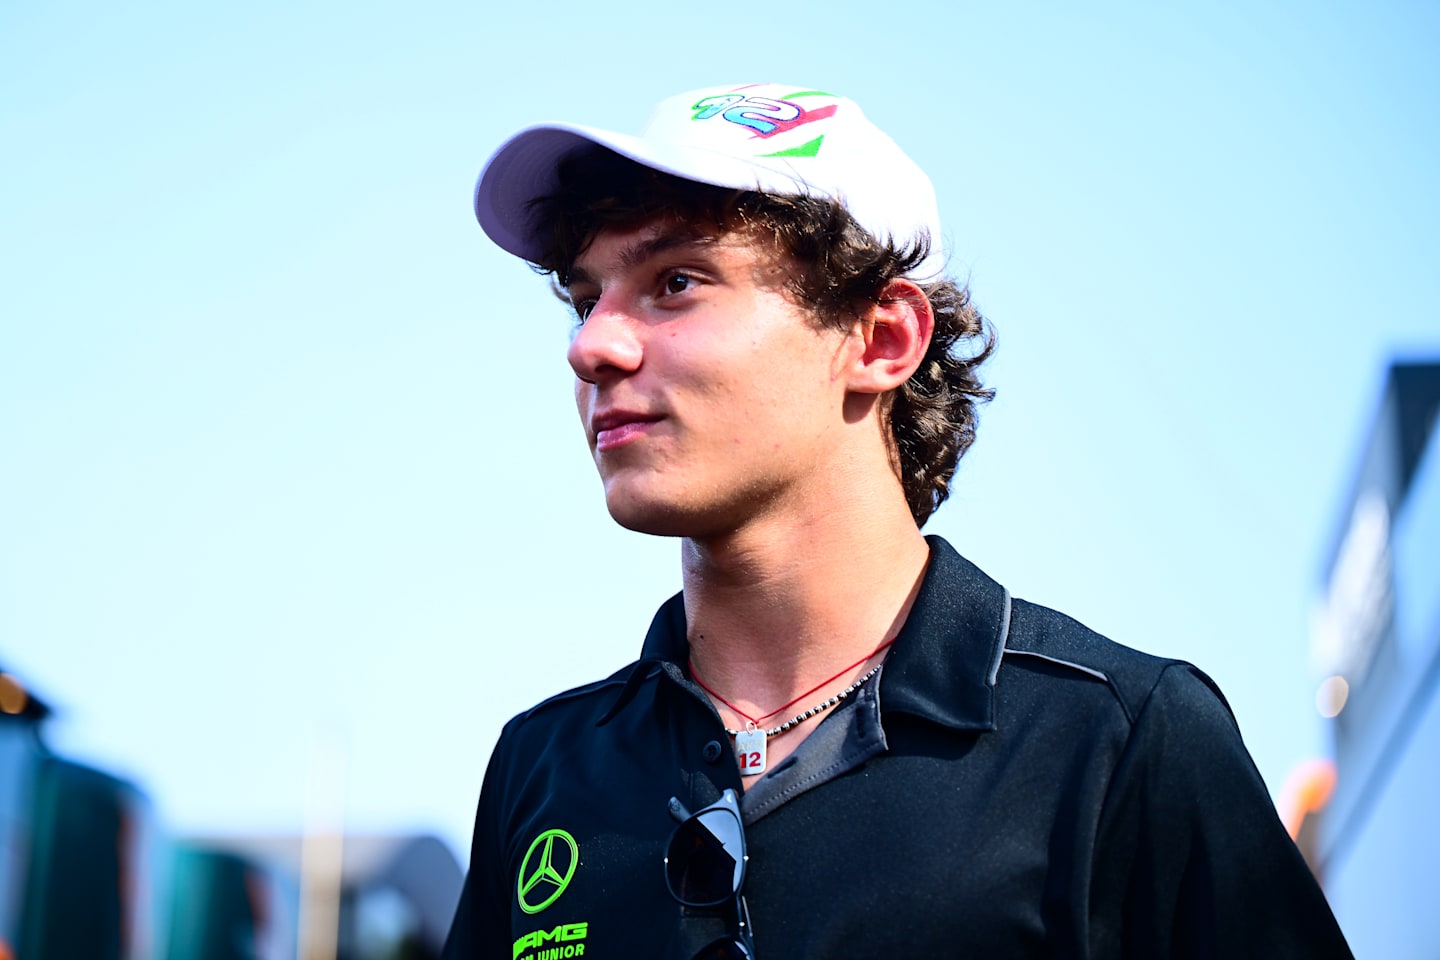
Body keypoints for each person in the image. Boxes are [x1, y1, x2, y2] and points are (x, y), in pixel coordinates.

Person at [445, 83, 1352, 958]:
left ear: (880, 341)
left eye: (676, 281)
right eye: (584, 297)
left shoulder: (1120, 740)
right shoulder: (543, 769)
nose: (591, 344)